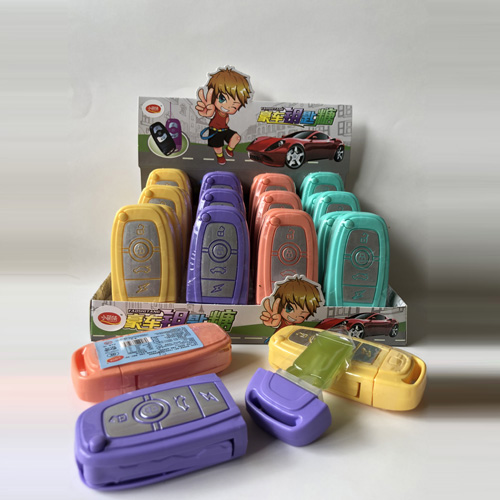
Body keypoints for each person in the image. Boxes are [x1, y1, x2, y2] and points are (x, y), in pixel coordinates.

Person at [196, 67, 252, 165]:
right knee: (217, 146)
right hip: (215, 130)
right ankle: (220, 156)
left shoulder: (226, 113)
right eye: (222, 98)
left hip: (225, 129)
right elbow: (210, 114)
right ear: (214, 96)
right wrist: (207, 112)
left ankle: (229, 149)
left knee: (236, 137)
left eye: (235, 105)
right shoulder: (214, 109)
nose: (228, 106)